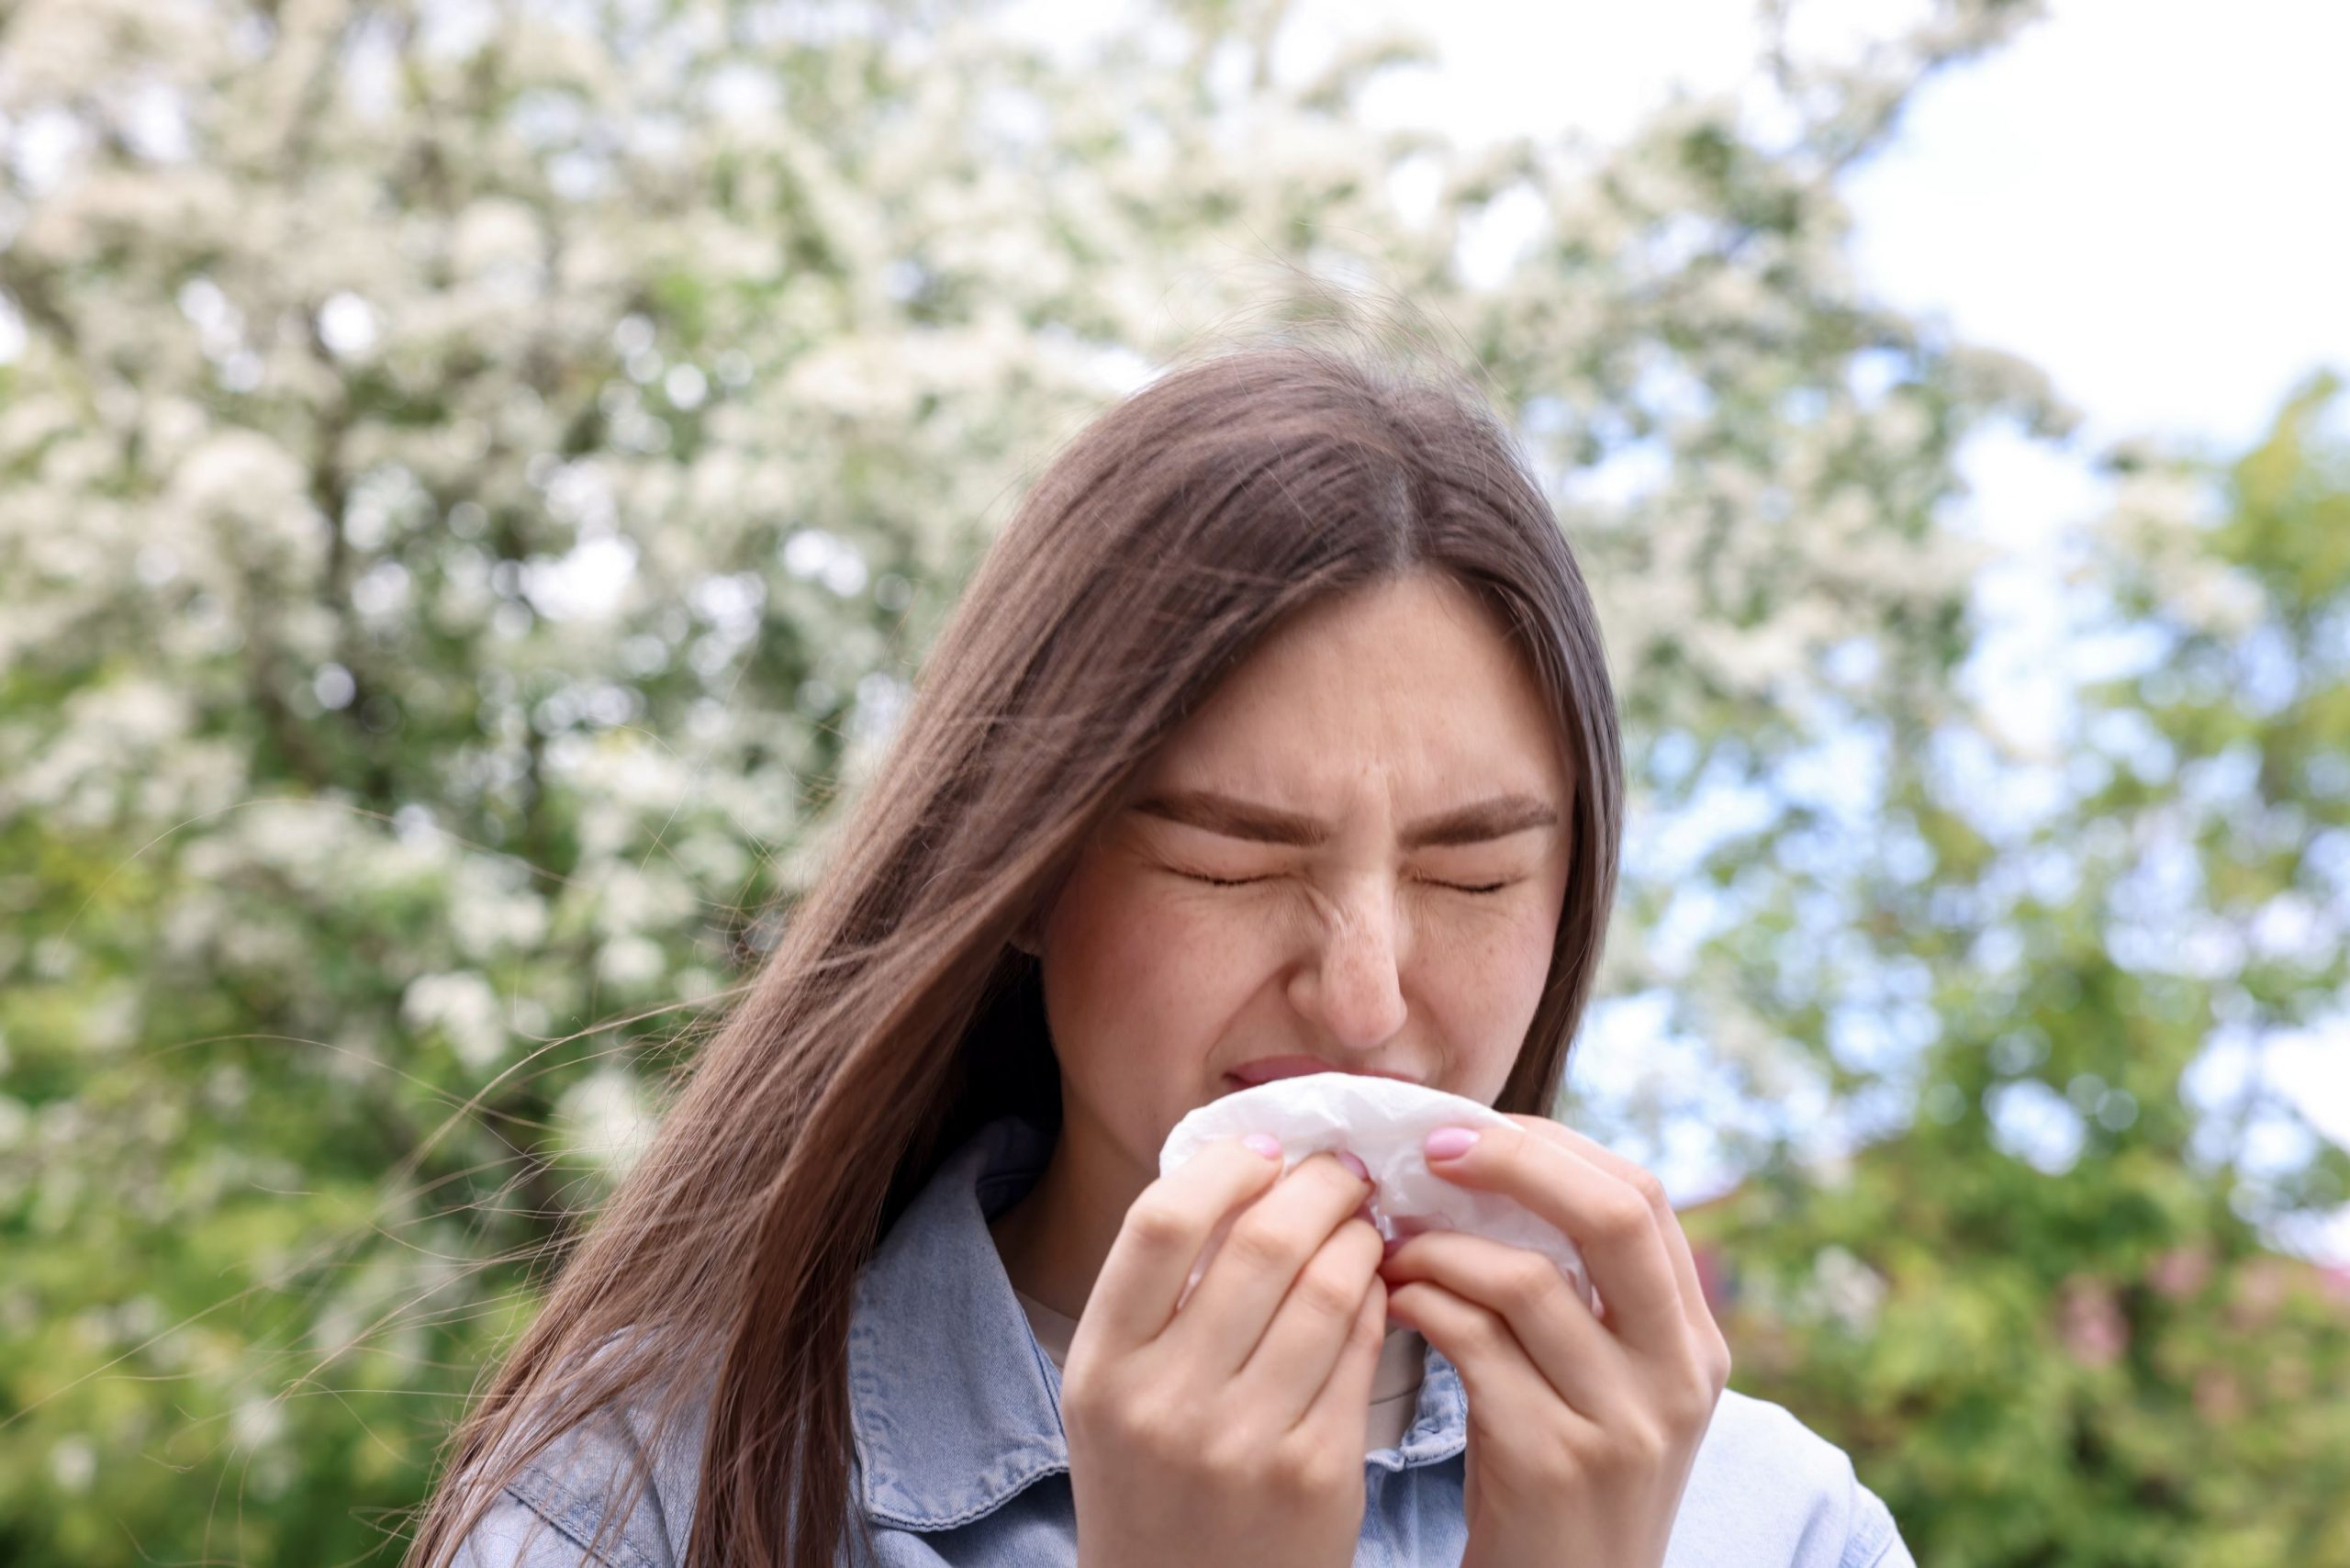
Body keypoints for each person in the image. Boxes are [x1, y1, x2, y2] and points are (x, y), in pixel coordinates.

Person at [408, 334, 1919, 1568]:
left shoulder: (1778, 1526)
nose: (1365, 991)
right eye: (1227, 859)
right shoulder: (636, 1502)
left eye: (1474, 873)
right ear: (1023, 869)